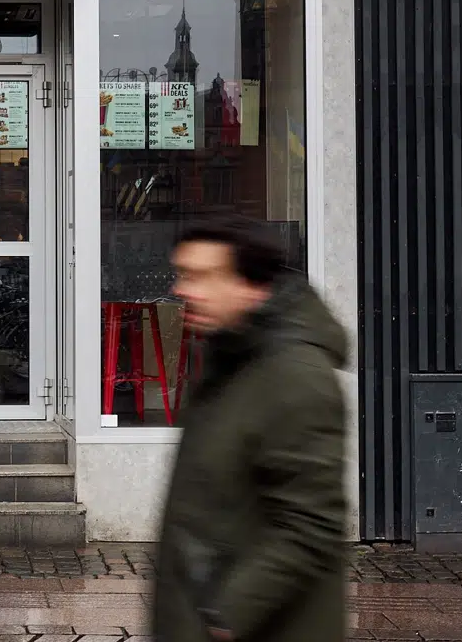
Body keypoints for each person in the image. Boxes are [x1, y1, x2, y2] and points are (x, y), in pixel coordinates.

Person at [154, 216, 348, 642]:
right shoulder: (229, 359)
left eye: (201, 276)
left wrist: (226, 614)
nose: (181, 290)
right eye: (182, 274)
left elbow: (312, 525)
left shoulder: (296, 377)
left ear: (252, 286)